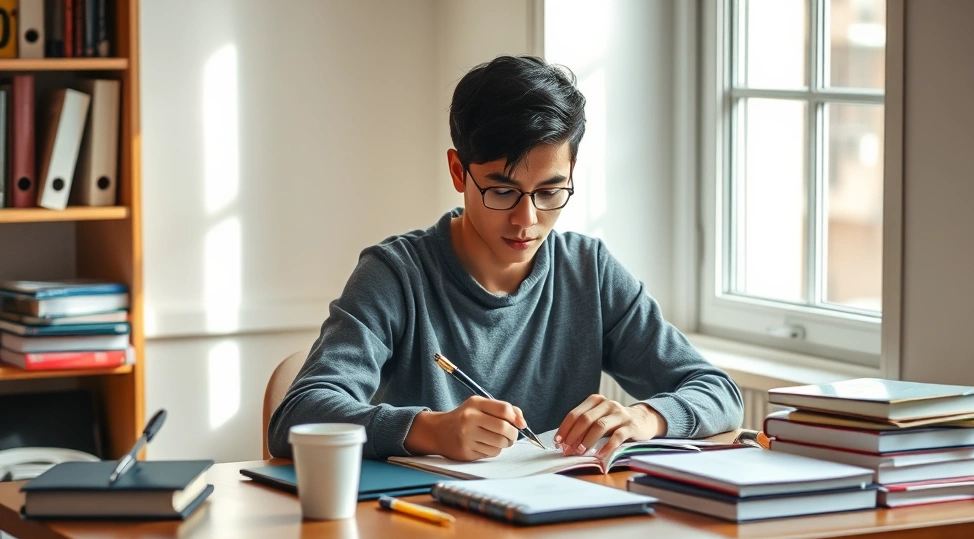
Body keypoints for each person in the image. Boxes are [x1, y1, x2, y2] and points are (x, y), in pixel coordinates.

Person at [268, 55, 743, 462]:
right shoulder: (396, 275)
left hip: (559, 530)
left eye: (551, 192)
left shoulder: (589, 271)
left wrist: (645, 418)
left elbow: (719, 391)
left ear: (571, 171)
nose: (526, 220)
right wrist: (430, 430)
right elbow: (298, 414)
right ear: (459, 171)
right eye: (502, 190)